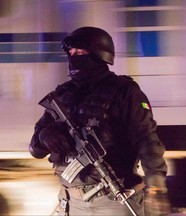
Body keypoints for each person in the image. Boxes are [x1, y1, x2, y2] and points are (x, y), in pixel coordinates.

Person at [29, 26, 171, 216]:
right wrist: (45, 135)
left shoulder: (125, 92)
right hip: (69, 202)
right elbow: (34, 149)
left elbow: (146, 139)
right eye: (70, 52)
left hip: (111, 201)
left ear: (98, 54)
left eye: (79, 51)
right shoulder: (61, 96)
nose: (73, 56)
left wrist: (156, 186)